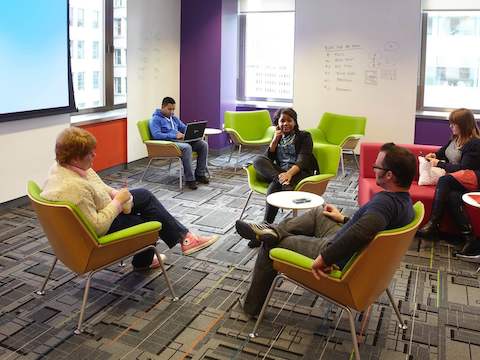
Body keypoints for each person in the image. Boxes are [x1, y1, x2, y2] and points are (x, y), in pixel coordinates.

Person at [235, 143, 416, 316]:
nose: (374, 168)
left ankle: (251, 307)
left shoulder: (384, 204)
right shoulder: (404, 201)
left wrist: (326, 257)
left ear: (389, 175)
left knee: (270, 246)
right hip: (344, 243)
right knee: (318, 212)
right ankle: (272, 231)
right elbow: (371, 228)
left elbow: (363, 231)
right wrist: (344, 218)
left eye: (377, 166)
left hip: (334, 252)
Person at [41, 127, 219, 270]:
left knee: (144, 195)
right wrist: (118, 202)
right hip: (95, 236)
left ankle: (185, 237)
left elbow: (99, 186)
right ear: (76, 157)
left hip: (95, 213)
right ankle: (146, 261)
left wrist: (115, 194)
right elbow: (98, 227)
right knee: (147, 220)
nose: (94, 155)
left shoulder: (63, 167)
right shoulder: (74, 188)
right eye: (90, 153)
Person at [417, 108, 480, 258]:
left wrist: (439, 163)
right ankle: (470, 239)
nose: (450, 126)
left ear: (463, 125)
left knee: (445, 179)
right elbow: (441, 153)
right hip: (458, 183)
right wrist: (434, 155)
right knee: (452, 197)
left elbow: (464, 169)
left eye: (454, 124)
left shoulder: (475, 144)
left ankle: (434, 223)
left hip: (473, 181)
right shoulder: (455, 139)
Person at [249, 108, 318, 244]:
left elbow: (303, 160)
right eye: (282, 121)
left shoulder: (304, 136)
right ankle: (283, 183)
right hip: (281, 173)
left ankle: (265, 226)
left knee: (275, 184)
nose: (285, 124)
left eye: (289, 120)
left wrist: (288, 174)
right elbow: (267, 158)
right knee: (257, 160)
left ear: (295, 122)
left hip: (300, 172)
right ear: (278, 123)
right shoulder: (279, 137)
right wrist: (275, 140)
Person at [149, 97, 209, 190]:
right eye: (169, 109)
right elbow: (156, 135)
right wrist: (173, 135)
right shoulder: (155, 119)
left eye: (173, 109)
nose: (172, 112)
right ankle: (190, 179)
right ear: (162, 107)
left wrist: (193, 132)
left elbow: (184, 127)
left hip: (179, 142)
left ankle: (200, 174)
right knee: (187, 147)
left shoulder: (174, 118)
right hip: (168, 144)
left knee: (203, 144)